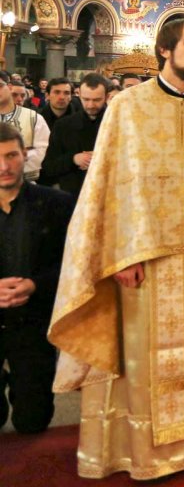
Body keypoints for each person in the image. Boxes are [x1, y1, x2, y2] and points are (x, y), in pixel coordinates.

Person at [47, 19, 184, 479]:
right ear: (164, 51)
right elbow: (110, 185)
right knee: (143, 360)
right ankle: (139, 451)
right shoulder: (127, 106)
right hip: (143, 260)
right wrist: (120, 255)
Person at [0, 123, 74, 433]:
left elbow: (73, 264)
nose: (4, 166)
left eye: (12, 155)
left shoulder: (57, 204)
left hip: (34, 319)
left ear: (26, 155)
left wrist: (36, 285)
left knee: (32, 422)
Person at [38, 73, 108, 202]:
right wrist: (74, 159)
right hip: (73, 197)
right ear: (79, 95)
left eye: (97, 100)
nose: (91, 105)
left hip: (108, 194)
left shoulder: (118, 123)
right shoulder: (63, 126)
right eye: (86, 99)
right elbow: (49, 167)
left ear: (106, 97)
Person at [0, 73, 49, 181]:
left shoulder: (35, 118)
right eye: (14, 95)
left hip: (26, 179)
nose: (19, 99)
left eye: (22, 96)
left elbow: (42, 150)